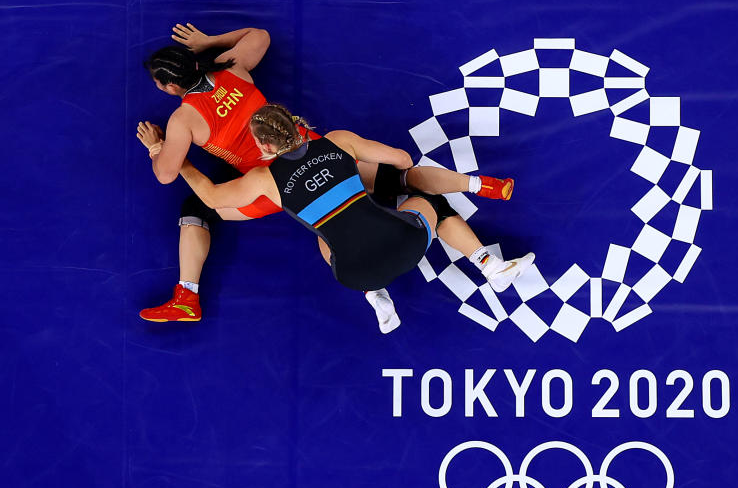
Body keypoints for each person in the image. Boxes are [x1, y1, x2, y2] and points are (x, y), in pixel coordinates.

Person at [139, 23, 515, 323]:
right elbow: (260, 36)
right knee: (398, 178)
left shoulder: (184, 119)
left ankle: (187, 295)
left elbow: (168, 175)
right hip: (323, 158)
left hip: (275, 189)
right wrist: (209, 43)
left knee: (197, 206)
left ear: (171, 87)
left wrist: (159, 149)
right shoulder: (233, 69)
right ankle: (481, 188)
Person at [137, 104, 534, 333]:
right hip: (406, 243)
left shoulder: (262, 180)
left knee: (324, 235)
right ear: (297, 126)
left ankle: (377, 298)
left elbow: (206, 195)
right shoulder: (337, 141)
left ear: (263, 146)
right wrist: (347, 163)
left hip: (353, 275)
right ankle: (490, 265)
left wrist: (172, 156)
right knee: (429, 201)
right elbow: (402, 160)